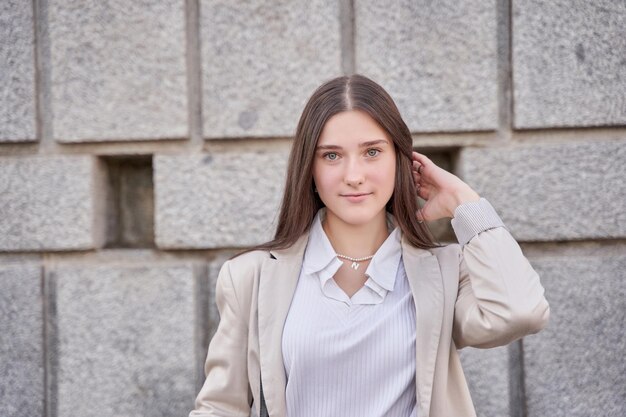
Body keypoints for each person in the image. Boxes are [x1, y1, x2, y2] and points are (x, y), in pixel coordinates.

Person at [189, 74, 550, 417]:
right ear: (310, 170)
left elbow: (520, 312)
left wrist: (465, 202)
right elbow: (221, 407)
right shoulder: (250, 277)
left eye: (372, 152)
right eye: (331, 155)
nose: (353, 175)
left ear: (400, 160)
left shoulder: (443, 271)